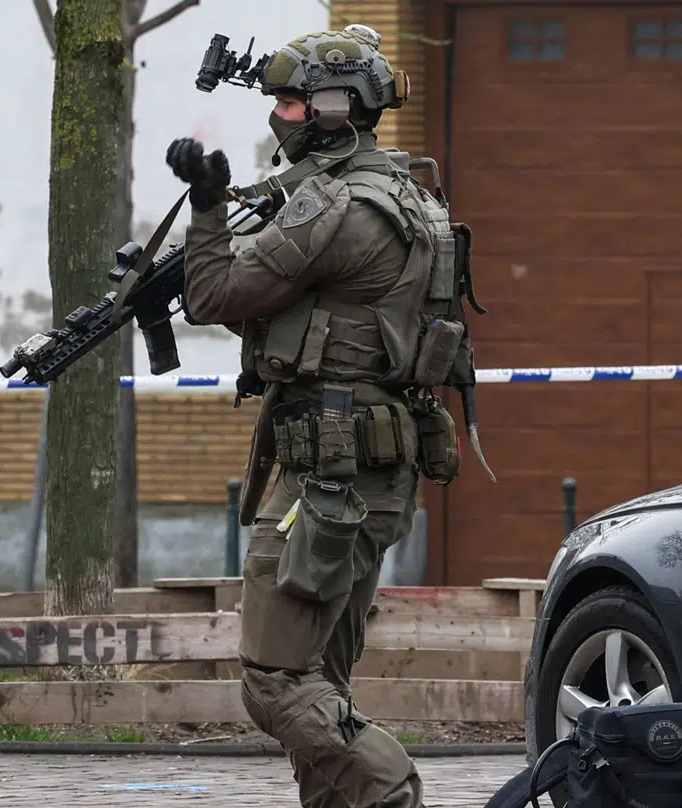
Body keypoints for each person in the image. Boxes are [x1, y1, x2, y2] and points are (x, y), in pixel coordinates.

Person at [165, 24, 469, 808]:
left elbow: (215, 296)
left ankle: (390, 786)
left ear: (340, 107)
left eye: (294, 100)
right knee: (318, 678)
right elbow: (315, 322)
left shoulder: (334, 205)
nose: (282, 114)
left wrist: (205, 210)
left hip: (327, 474)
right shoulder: (411, 195)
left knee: (273, 683)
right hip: (376, 470)